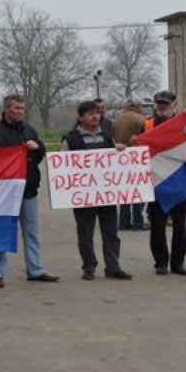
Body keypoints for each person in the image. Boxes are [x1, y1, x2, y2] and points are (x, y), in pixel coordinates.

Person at [0, 94, 59, 287]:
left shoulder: (29, 130)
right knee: (1, 232)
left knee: (31, 233)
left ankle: (36, 269)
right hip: (5, 194)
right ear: (7, 109)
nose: (20, 112)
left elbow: (39, 157)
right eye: (16, 108)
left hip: (29, 191)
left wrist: (38, 146)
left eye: (22, 108)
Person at [61, 101, 133, 281]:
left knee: (111, 233)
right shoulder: (71, 139)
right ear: (80, 117)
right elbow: (61, 167)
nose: (95, 117)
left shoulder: (107, 137)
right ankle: (89, 267)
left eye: (97, 113)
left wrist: (120, 150)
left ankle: (113, 267)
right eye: (90, 114)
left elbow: (116, 162)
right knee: (85, 234)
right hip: (83, 196)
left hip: (106, 195)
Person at [139, 90, 186, 276]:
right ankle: (161, 263)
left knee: (180, 226)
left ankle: (178, 263)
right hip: (156, 183)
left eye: (166, 104)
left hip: (179, 182)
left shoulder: (185, 124)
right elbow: (138, 148)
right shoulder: (147, 125)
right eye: (159, 104)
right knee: (157, 226)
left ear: (174, 105)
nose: (162, 108)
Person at [112, 101, 147, 230]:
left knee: (125, 192)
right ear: (138, 107)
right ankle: (138, 222)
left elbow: (113, 137)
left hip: (121, 158)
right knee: (137, 192)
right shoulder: (140, 119)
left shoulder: (117, 120)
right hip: (136, 157)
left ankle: (123, 222)